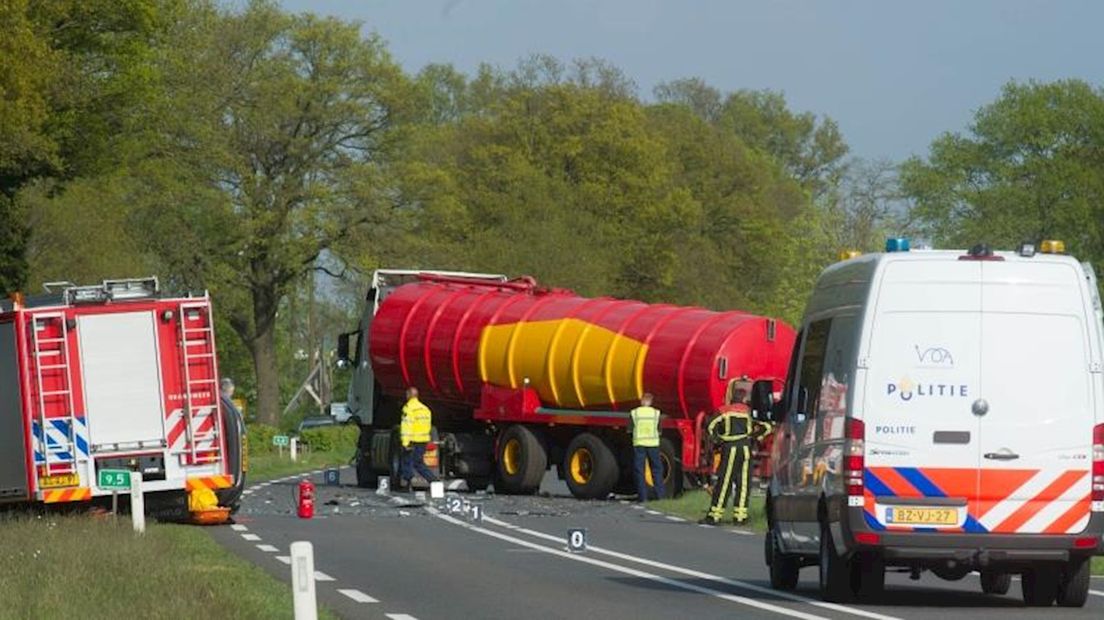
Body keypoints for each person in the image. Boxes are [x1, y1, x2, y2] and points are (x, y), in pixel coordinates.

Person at [699, 380, 773, 525]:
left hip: (730, 447)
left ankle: (715, 515)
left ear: (731, 398)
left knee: (725, 481)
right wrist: (755, 437)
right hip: (746, 448)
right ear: (744, 399)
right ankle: (740, 517)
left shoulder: (724, 410)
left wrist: (718, 440)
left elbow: (710, 426)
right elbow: (767, 426)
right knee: (744, 483)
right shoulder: (749, 412)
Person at [628, 393, 665, 502]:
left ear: (641, 401)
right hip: (653, 444)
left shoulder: (634, 413)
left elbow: (629, 429)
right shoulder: (655, 413)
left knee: (640, 470)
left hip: (639, 444)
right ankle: (660, 496)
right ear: (651, 402)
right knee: (657, 470)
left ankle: (643, 497)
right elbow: (659, 430)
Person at [400, 386, 438, 490]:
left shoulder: (408, 408)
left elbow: (406, 426)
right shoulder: (425, 409)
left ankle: (408, 483)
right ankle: (433, 480)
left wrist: (405, 443)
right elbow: (427, 425)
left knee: (407, 462)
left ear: (408, 395)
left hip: (412, 440)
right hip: (423, 440)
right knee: (419, 463)